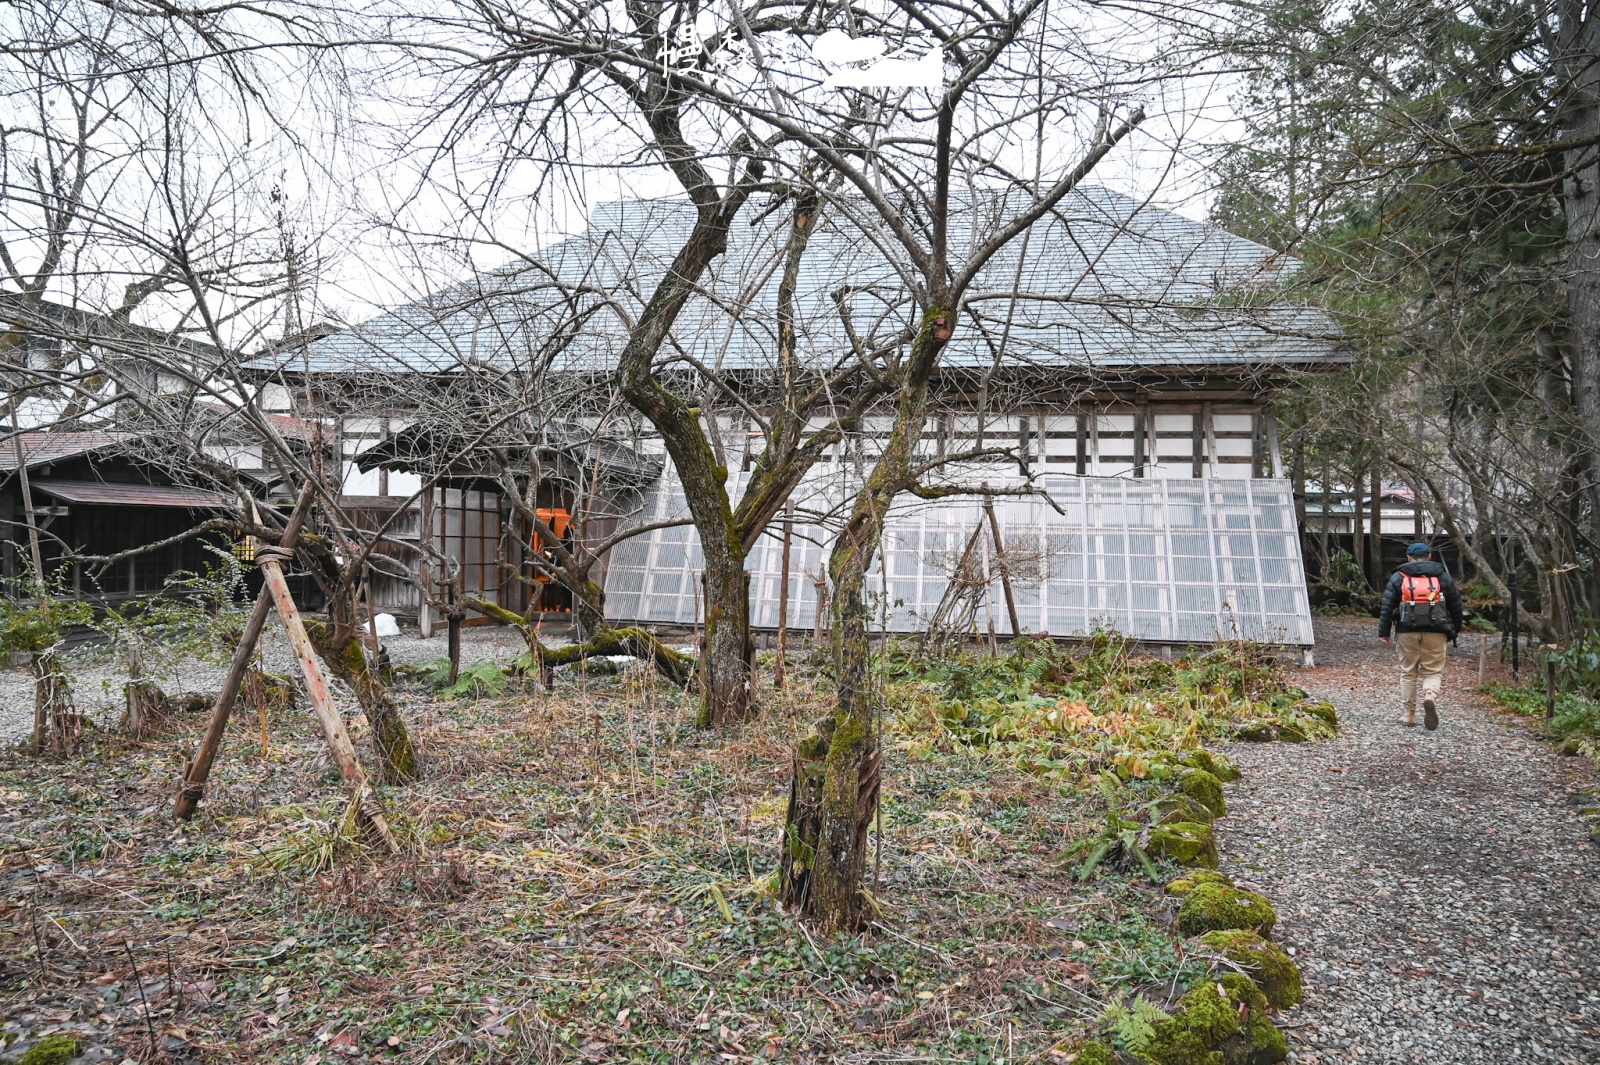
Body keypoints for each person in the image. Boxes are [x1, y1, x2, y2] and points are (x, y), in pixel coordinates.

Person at [1378, 542, 1464, 730]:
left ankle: (1409, 715)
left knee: (1408, 672)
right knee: (1432, 671)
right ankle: (1430, 696)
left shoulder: (1398, 577)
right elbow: (1456, 605)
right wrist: (1455, 629)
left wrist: (1384, 632)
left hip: (1406, 630)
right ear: (1429, 556)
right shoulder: (1442, 576)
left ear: (1409, 558)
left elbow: (1386, 606)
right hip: (1437, 630)